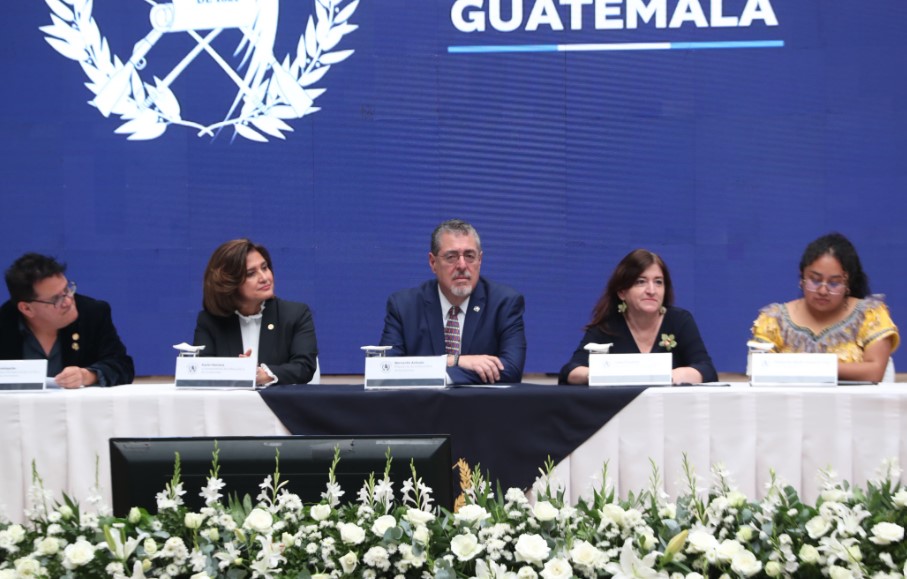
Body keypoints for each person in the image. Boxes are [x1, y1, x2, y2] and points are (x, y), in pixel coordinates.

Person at [379, 219, 526, 384]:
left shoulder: (504, 303)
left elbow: (511, 369)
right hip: (422, 408)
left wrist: (444, 375)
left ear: (480, 260)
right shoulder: (404, 306)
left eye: (470, 256)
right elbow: (386, 368)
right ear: (433, 262)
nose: (462, 265)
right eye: (451, 257)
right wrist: (454, 360)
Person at [751, 232, 899, 382]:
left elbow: (874, 372)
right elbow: (758, 370)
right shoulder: (774, 320)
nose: (823, 291)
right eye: (815, 280)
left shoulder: (870, 315)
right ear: (802, 278)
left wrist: (812, 368)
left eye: (834, 283)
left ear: (848, 284)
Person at [559, 249, 717, 385]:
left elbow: (707, 370)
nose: (651, 290)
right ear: (622, 292)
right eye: (641, 282)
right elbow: (570, 371)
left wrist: (670, 376)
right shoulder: (608, 326)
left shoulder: (679, 320)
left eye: (658, 282)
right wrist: (605, 374)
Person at [193, 239, 318, 386]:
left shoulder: (295, 314)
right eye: (251, 274)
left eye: (265, 268)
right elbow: (201, 372)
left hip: (278, 406)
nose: (265, 278)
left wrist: (264, 375)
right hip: (228, 407)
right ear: (229, 284)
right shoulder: (210, 321)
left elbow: (304, 367)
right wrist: (236, 370)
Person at [0, 253, 134, 387]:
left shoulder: (92, 313)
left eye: (67, 289)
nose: (68, 301)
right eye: (55, 299)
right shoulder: (4, 323)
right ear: (26, 309)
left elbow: (122, 366)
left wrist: (88, 375)